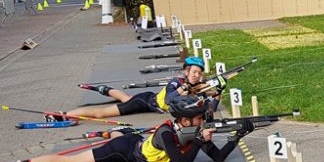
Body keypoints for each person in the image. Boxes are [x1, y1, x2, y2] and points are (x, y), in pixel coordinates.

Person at [0, 95, 250, 162]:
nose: (203, 121)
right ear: (185, 120)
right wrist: (199, 142)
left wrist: (239, 135)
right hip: (126, 151)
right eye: (199, 118)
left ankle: (113, 135)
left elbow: (216, 158)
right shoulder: (167, 133)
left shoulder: (193, 132)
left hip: (136, 144)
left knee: (122, 138)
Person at [58, 56, 222, 120]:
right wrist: (184, 88)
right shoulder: (177, 81)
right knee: (102, 113)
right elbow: (168, 100)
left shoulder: (197, 87)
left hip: (149, 97)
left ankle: (104, 89)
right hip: (145, 102)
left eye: (199, 73)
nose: (196, 76)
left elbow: (210, 110)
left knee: (125, 98)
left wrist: (217, 95)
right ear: (186, 72)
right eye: (193, 72)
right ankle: (65, 115)